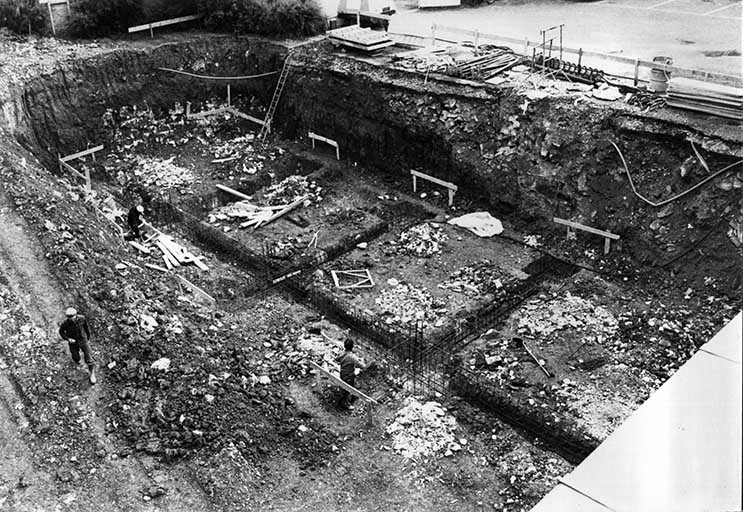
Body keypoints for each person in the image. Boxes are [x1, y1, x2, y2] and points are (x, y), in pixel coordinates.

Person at [59, 308, 96, 385]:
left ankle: (92, 374)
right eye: (68, 316)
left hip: (82, 340)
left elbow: (86, 327)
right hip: (73, 342)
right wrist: (68, 339)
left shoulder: (82, 318)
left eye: (71, 316)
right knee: (75, 357)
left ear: (75, 315)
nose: (70, 318)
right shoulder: (65, 324)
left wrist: (87, 337)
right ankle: (77, 362)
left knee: (89, 357)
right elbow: (61, 332)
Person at [335, 338, 367, 409]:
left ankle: (353, 396)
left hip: (342, 374)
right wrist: (362, 361)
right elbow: (363, 366)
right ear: (352, 346)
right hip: (349, 376)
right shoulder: (352, 357)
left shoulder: (342, 353)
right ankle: (345, 403)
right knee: (346, 390)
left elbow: (337, 358)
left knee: (352, 385)